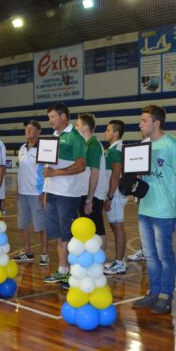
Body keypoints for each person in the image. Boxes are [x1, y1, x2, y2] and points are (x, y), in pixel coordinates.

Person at [131, 105, 176, 315]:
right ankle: (153, 292)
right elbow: (137, 175)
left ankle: (165, 295)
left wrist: (170, 198)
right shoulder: (143, 145)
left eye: (144, 120)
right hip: (145, 208)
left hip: (163, 211)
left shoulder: (172, 144)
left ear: (157, 123)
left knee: (164, 255)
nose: (140, 124)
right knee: (150, 256)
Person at [40, 103, 87, 287]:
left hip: (67, 194)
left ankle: (73, 273)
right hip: (52, 192)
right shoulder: (53, 137)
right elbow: (48, 168)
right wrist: (45, 191)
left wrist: (56, 174)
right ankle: (63, 271)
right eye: (49, 117)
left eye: (52, 117)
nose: (50, 121)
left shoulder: (75, 137)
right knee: (59, 235)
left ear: (64, 117)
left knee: (67, 234)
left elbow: (81, 165)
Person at [76, 113, 110, 283]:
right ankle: (93, 261)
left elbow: (95, 173)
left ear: (85, 127)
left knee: (98, 228)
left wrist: (90, 199)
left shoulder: (94, 145)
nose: (76, 127)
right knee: (91, 228)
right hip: (87, 193)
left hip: (94, 194)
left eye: (78, 124)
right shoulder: (86, 144)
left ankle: (100, 263)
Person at [14, 120, 49, 266]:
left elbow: (47, 173)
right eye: (26, 129)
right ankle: (27, 252)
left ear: (38, 132)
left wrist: (44, 193)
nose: (28, 131)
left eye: (31, 128)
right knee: (23, 224)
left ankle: (45, 254)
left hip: (37, 193)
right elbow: (21, 171)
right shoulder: (22, 148)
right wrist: (17, 189)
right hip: (22, 193)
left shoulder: (44, 149)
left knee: (41, 226)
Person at [103, 120, 128, 275]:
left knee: (118, 226)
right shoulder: (112, 149)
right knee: (115, 225)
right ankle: (119, 260)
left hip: (116, 194)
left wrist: (110, 196)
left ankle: (120, 263)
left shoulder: (117, 149)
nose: (105, 133)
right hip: (113, 193)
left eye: (108, 130)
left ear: (116, 133)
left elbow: (116, 174)